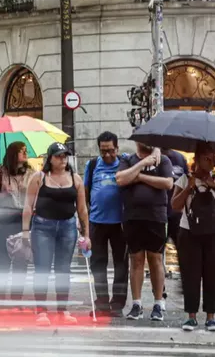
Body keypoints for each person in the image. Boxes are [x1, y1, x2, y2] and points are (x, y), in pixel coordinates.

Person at [22, 142, 90, 326]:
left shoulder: (75, 179)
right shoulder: (39, 177)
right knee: (42, 268)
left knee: (63, 270)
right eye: (58, 156)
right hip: (42, 227)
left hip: (68, 227)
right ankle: (41, 310)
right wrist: (25, 231)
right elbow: (28, 206)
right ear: (50, 158)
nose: (62, 159)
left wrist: (86, 234)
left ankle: (62, 310)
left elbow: (82, 209)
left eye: (65, 156)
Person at [171, 143, 215, 332]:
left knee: (212, 274)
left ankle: (211, 317)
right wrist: (189, 188)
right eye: (207, 158)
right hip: (188, 233)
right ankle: (191, 316)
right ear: (197, 159)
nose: (211, 162)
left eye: (213, 158)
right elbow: (174, 205)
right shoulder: (184, 179)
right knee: (191, 274)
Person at [116, 140, 172, 322]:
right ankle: (137, 304)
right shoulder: (128, 160)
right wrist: (142, 164)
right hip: (132, 216)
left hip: (156, 216)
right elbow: (121, 179)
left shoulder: (162, 160)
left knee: (155, 259)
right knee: (136, 260)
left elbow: (167, 183)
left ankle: (158, 303)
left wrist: (140, 177)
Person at [83, 131, 129, 317]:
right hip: (97, 222)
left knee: (121, 265)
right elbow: (85, 193)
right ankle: (102, 301)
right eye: (103, 151)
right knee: (97, 264)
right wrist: (83, 221)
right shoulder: (92, 165)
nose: (107, 155)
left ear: (117, 148)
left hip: (120, 224)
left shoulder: (126, 163)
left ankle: (117, 304)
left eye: (110, 150)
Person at [0, 141, 35, 302]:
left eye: (26, 150)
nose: (25, 153)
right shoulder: (0, 174)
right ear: (13, 154)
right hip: (3, 221)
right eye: (22, 151)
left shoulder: (32, 173)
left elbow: (37, 196)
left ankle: (17, 298)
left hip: (23, 220)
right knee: (2, 260)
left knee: (21, 261)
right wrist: (3, 195)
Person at [162, 148, 189, 249]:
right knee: (157, 253)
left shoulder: (179, 158)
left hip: (176, 213)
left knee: (183, 249)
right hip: (159, 212)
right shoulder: (152, 158)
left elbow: (186, 180)